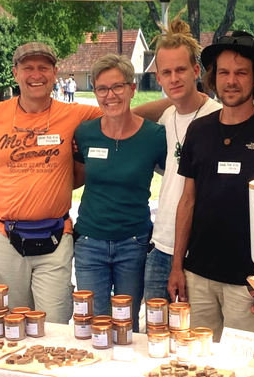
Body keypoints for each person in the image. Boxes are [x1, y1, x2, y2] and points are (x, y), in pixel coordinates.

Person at [0, 42, 169, 324]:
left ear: (55, 73)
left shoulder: (75, 116)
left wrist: (184, 99)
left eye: (43, 67)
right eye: (28, 68)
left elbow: (123, 113)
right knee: (12, 323)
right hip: (6, 235)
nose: (36, 74)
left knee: (56, 324)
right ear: (15, 73)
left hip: (55, 238)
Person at [168, 31, 254, 341]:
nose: (231, 80)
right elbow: (188, 201)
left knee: (246, 369)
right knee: (197, 363)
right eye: (223, 72)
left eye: (241, 72)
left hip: (249, 282)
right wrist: (176, 266)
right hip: (197, 276)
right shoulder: (198, 131)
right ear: (213, 77)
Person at [73, 53, 167, 333]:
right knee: (93, 327)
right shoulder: (85, 133)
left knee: (127, 325)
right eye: (102, 88)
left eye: (117, 87)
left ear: (132, 88)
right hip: (90, 243)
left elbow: (175, 181)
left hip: (134, 243)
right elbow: (76, 178)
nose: (110, 95)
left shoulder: (154, 137)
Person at [143, 13, 222, 304]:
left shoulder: (218, 117)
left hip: (199, 248)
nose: (174, 78)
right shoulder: (166, 117)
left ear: (196, 70)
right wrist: (174, 98)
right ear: (158, 76)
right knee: (154, 334)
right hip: (162, 242)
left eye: (181, 70)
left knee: (193, 339)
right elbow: (126, 116)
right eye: (166, 73)